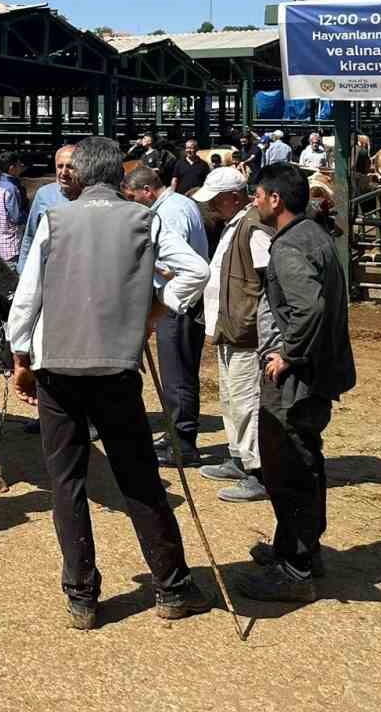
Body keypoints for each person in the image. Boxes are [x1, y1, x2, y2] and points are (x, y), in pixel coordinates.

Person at [7, 136, 212, 630]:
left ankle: (81, 596)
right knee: (138, 477)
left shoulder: (55, 220)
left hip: (58, 369)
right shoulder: (146, 218)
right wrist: (155, 311)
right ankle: (172, 585)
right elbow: (197, 271)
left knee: (67, 482)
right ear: (120, 178)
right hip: (117, 370)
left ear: (77, 176)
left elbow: (28, 296)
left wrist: (20, 357)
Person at [243, 163, 356, 602]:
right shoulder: (313, 236)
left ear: (275, 200)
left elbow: (308, 309)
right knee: (304, 461)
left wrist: (288, 354)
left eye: (258, 194)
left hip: (298, 378)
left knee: (288, 466)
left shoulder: (290, 249)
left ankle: (296, 570)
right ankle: (296, 548)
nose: (255, 201)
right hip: (320, 371)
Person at [193, 167, 272, 502]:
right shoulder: (237, 224)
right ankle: (239, 457)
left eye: (215, 199)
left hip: (245, 331)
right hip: (230, 327)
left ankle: (259, 471)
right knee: (231, 397)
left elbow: (269, 280)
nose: (210, 206)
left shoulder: (253, 228)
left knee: (247, 400)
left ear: (232, 197)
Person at [124, 164, 209, 467]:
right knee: (178, 371)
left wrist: (152, 269)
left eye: (134, 197)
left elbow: (177, 262)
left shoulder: (168, 213)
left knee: (177, 373)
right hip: (181, 298)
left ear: (147, 191)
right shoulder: (180, 204)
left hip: (177, 299)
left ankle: (184, 442)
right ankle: (177, 432)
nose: (133, 203)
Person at [0, 151, 28, 270]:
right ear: (12, 168)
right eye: (19, 165)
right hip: (12, 247)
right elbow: (16, 218)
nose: (21, 168)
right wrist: (28, 217)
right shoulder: (12, 189)